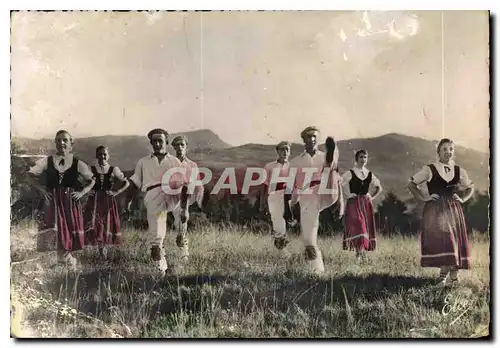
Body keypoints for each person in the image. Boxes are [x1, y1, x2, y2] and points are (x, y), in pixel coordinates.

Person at [407, 138, 474, 285]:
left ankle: (453, 278)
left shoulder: (459, 170)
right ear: (438, 152)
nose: (448, 152)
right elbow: (411, 184)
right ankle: (443, 277)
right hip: (436, 211)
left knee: (454, 241)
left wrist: (463, 199)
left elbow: (470, 187)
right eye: (444, 149)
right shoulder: (430, 169)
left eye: (451, 149)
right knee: (446, 242)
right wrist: (424, 198)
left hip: (453, 211)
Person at [26, 130, 95, 270]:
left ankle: (69, 261)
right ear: (55, 143)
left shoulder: (78, 163)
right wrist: (42, 190)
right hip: (53, 201)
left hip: (70, 202)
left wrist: (82, 193)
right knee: (56, 230)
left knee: (68, 230)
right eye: (58, 140)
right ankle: (62, 261)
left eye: (65, 140)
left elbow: (92, 180)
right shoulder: (47, 161)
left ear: (71, 144)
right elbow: (30, 175)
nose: (61, 143)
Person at [124, 128, 184, 276]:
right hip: (154, 196)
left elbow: (183, 185)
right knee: (156, 236)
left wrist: (184, 207)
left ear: (166, 142)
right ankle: (160, 271)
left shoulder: (175, 161)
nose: (157, 144)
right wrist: (127, 203)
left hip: (173, 196)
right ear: (151, 143)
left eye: (160, 141)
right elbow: (134, 184)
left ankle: (178, 263)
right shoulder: (143, 162)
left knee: (181, 232)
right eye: (154, 141)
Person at [289, 126, 344, 274]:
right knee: (308, 237)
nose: (312, 139)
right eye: (309, 136)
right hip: (308, 198)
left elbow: (338, 181)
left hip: (326, 192)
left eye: (315, 136)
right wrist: (290, 206)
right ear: (304, 140)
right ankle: (315, 269)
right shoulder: (296, 162)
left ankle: (333, 157)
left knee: (330, 168)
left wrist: (341, 203)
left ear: (318, 140)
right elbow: (292, 188)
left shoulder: (322, 157)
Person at [83, 146, 129, 258]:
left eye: (104, 154)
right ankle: (99, 251)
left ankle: (103, 251)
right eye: (100, 154)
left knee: (106, 223)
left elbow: (126, 183)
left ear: (108, 156)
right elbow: (82, 180)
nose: (102, 157)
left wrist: (116, 192)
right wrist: (86, 192)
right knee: (95, 223)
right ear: (96, 156)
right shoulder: (91, 169)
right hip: (94, 200)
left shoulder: (114, 169)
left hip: (108, 200)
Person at [341, 149, 383, 261]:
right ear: (356, 158)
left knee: (365, 227)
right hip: (353, 203)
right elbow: (339, 183)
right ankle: (360, 253)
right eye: (361, 157)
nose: (363, 159)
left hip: (365, 204)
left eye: (365, 157)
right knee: (359, 225)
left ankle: (360, 254)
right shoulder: (350, 172)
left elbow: (379, 187)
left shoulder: (369, 173)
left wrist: (371, 196)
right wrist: (347, 195)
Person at [170, 135, 204, 261]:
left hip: (183, 200)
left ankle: (183, 256)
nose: (180, 147)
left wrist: (187, 207)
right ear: (173, 147)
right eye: (177, 145)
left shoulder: (192, 165)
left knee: (181, 227)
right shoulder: (169, 163)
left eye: (182, 145)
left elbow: (194, 185)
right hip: (168, 198)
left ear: (186, 147)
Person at [261, 141, 297, 250]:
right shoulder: (269, 166)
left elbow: (293, 186)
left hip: (288, 197)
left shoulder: (292, 167)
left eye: (287, 150)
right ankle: (280, 250)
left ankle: (284, 249)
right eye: (282, 149)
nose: (285, 152)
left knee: (289, 222)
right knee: (277, 222)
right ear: (278, 151)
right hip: (274, 196)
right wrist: (262, 202)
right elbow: (264, 185)